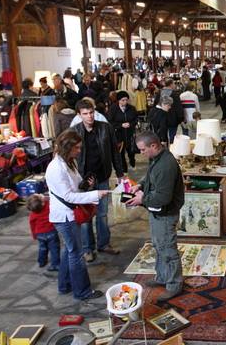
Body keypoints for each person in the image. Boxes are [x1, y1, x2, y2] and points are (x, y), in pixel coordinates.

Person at [45, 130, 110, 300]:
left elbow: (74, 188)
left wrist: (86, 185)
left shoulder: (68, 162)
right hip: (65, 216)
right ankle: (82, 292)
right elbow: (68, 196)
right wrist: (95, 194)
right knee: (76, 254)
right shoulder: (56, 168)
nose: (80, 151)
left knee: (70, 250)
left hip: (69, 213)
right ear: (68, 148)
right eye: (77, 148)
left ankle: (64, 285)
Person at [126, 131, 184, 302]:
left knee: (168, 249)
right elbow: (150, 177)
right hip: (157, 212)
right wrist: (141, 185)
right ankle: (162, 277)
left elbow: (163, 198)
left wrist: (141, 199)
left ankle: (174, 284)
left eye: (143, 150)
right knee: (159, 246)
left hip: (165, 213)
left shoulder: (166, 166)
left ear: (153, 146)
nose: (141, 153)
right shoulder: (157, 158)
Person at [72, 100, 124, 262]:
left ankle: (104, 244)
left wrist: (120, 173)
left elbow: (115, 152)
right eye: (85, 114)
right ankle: (88, 248)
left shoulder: (105, 128)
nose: (89, 116)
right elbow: (70, 157)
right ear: (79, 115)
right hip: (84, 181)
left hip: (102, 176)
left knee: (102, 214)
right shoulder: (74, 132)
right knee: (86, 217)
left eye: (91, 112)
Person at [27, 194, 60, 272]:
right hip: (51, 232)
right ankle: (55, 264)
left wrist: (34, 235)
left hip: (40, 234)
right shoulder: (48, 206)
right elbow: (52, 201)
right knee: (54, 249)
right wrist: (45, 198)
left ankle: (42, 262)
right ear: (42, 203)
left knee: (42, 248)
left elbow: (32, 225)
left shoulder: (33, 214)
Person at [108, 91, 138, 172]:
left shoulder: (132, 108)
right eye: (123, 100)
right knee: (120, 153)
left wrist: (131, 124)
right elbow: (110, 122)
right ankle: (124, 170)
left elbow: (135, 119)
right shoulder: (113, 109)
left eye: (126, 100)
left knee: (131, 151)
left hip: (130, 133)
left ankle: (132, 162)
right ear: (118, 100)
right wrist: (120, 125)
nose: (125, 102)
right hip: (118, 135)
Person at [154, 79, 184, 143]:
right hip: (172, 119)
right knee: (172, 136)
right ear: (171, 85)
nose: (174, 85)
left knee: (162, 136)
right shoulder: (175, 94)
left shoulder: (159, 93)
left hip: (161, 118)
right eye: (174, 84)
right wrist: (181, 118)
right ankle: (171, 148)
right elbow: (178, 107)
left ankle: (164, 149)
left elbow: (155, 105)